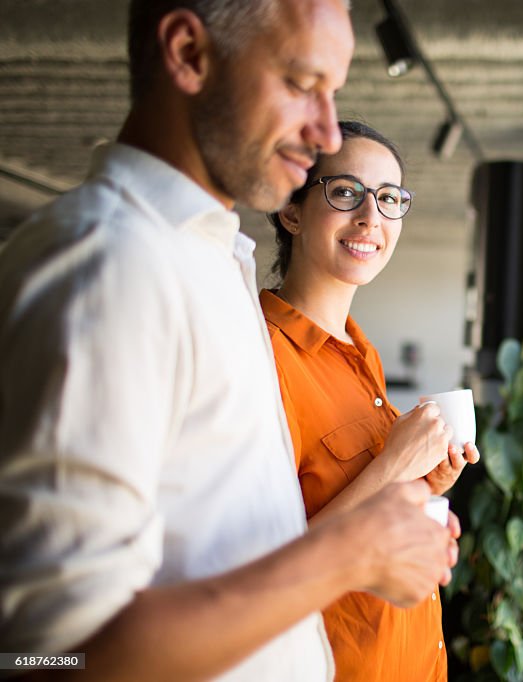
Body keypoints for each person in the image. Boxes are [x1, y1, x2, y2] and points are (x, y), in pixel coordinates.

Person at [0, 2, 458, 680]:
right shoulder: (110, 266)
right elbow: (47, 657)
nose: (325, 127)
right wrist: (353, 552)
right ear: (188, 53)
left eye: (333, 91)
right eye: (303, 84)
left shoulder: (219, 264)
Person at [262, 120, 480, 680]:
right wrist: (394, 465)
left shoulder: (363, 352)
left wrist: (418, 483)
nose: (371, 218)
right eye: (345, 192)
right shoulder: (259, 356)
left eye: (388, 199)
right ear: (292, 212)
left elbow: (353, 504)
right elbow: (262, 575)